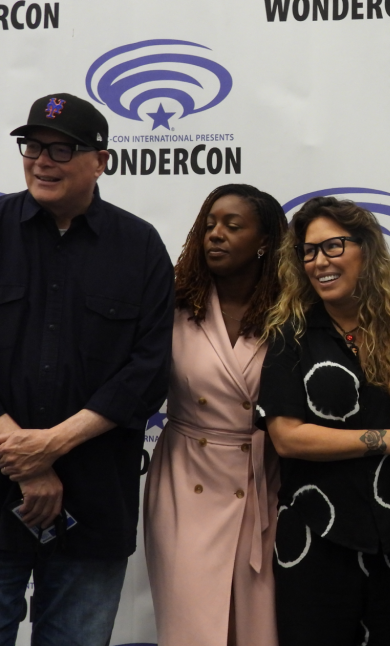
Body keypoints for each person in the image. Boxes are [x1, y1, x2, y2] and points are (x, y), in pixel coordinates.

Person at [0, 93, 174, 645]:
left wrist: (52, 443)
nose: (42, 160)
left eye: (62, 149)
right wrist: (25, 460)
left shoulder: (140, 246)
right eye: (33, 146)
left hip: (94, 504)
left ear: (101, 160)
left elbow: (147, 372)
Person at [257, 196, 390, 646]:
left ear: (367, 250)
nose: (318, 261)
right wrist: (386, 440)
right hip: (316, 539)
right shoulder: (291, 333)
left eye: (333, 247)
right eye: (309, 251)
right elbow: (286, 437)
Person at [143, 184, 289, 646]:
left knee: (258, 626)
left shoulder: (290, 311)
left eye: (232, 225)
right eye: (209, 225)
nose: (215, 235)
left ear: (264, 241)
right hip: (186, 479)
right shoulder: (172, 303)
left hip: (262, 483)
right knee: (191, 625)